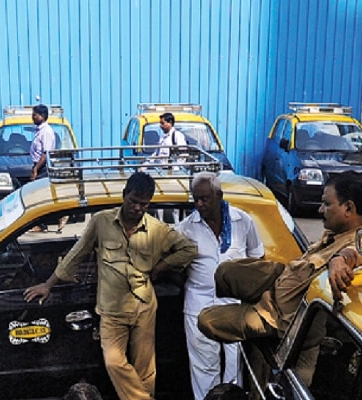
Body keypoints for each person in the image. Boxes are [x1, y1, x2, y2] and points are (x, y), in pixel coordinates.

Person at [24, 171, 198, 400]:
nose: (137, 208)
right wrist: (48, 284)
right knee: (114, 363)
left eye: (143, 204)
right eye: (133, 201)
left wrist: (161, 267)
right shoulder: (101, 221)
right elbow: (76, 253)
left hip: (144, 307)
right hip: (111, 310)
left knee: (146, 371)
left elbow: (189, 249)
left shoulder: (157, 229)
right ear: (124, 195)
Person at [197, 170, 362, 391]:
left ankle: (264, 326)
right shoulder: (334, 234)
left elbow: (360, 251)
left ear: (348, 208)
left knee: (207, 320)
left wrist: (341, 260)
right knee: (225, 272)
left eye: (327, 204)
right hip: (277, 283)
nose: (320, 210)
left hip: (279, 319)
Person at [175, 172, 264, 400]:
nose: (200, 204)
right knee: (204, 369)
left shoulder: (242, 221)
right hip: (199, 306)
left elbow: (257, 260)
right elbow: (174, 268)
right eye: (195, 199)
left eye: (205, 198)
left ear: (219, 195)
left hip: (235, 308)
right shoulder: (185, 228)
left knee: (235, 367)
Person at [29, 104, 68, 232]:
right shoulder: (39, 130)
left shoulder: (46, 132)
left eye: (35, 114)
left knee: (41, 196)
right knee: (43, 196)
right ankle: (46, 223)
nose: (33, 117)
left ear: (43, 116)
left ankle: (57, 217)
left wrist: (36, 169)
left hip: (43, 167)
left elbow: (46, 154)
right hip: (38, 165)